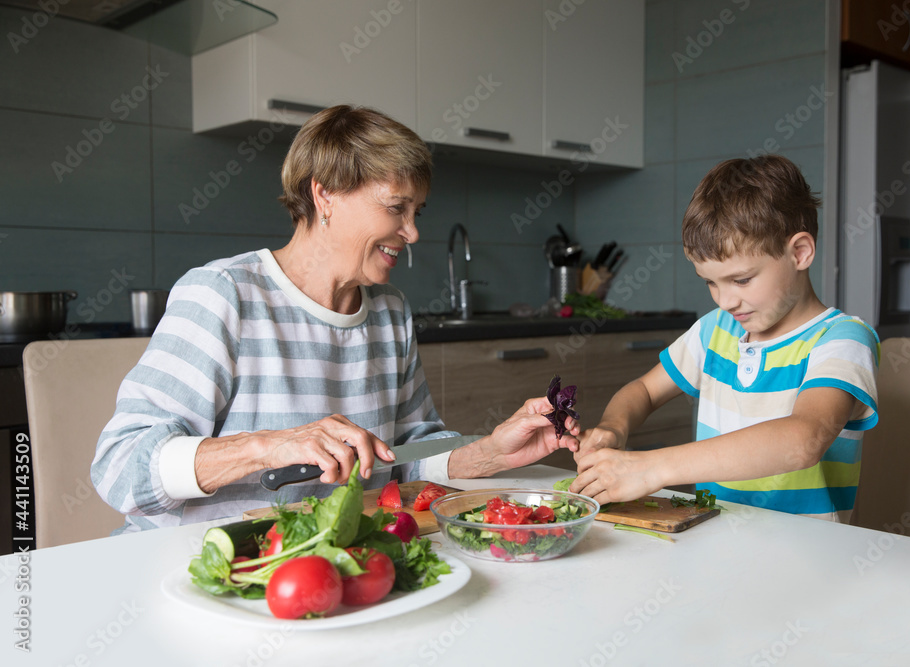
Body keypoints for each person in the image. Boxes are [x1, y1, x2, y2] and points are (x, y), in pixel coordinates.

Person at [93, 105, 578, 533]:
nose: (411, 232)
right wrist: (269, 447)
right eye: (395, 208)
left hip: (327, 565)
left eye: (417, 212)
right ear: (325, 196)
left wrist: (493, 451)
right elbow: (119, 466)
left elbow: (406, 455)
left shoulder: (388, 313)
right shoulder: (225, 294)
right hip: (204, 566)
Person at [571, 155, 879, 523]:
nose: (725, 300)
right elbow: (645, 390)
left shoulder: (842, 340)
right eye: (711, 283)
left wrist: (651, 468)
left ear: (799, 253)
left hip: (806, 558)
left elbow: (804, 440)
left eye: (742, 279)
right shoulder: (715, 331)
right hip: (714, 539)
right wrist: (613, 427)